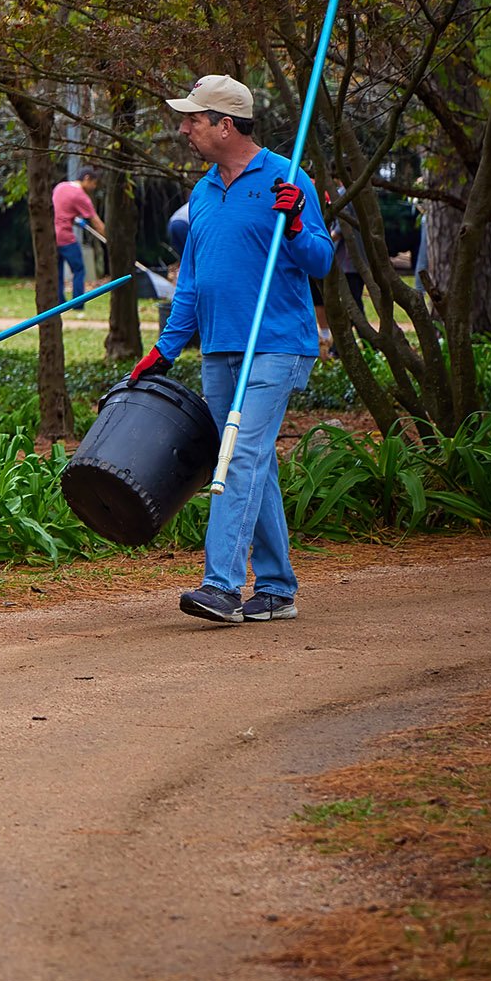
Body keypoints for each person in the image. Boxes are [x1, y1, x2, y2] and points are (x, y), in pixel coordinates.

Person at [128, 75, 331, 626]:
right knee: (251, 460)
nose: (185, 127)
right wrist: (165, 350)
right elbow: (191, 283)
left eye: (194, 119)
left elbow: (321, 261)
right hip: (219, 348)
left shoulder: (288, 179)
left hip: (276, 344)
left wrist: (293, 224)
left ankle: (220, 584)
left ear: (225, 124)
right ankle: (276, 588)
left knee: (237, 456)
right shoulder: (201, 191)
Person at [52, 168, 104, 302]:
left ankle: (59, 303)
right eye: (94, 183)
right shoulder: (80, 196)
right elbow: (96, 222)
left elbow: (60, 211)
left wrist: (75, 220)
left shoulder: (60, 187)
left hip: (52, 236)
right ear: (86, 178)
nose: (94, 187)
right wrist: (109, 239)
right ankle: (78, 303)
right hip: (65, 238)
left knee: (57, 272)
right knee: (79, 269)